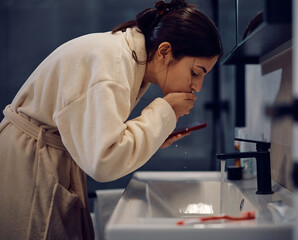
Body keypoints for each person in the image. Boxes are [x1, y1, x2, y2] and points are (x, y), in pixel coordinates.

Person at [0, 0, 223, 239]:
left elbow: (97, 134)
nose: (197, 86)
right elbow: (104, 161)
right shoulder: (115, 66)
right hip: (31, 164)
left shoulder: (125, 56)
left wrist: (157, 133)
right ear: (165, 52)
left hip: (39, 153)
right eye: (195, 72)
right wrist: (165, 110)